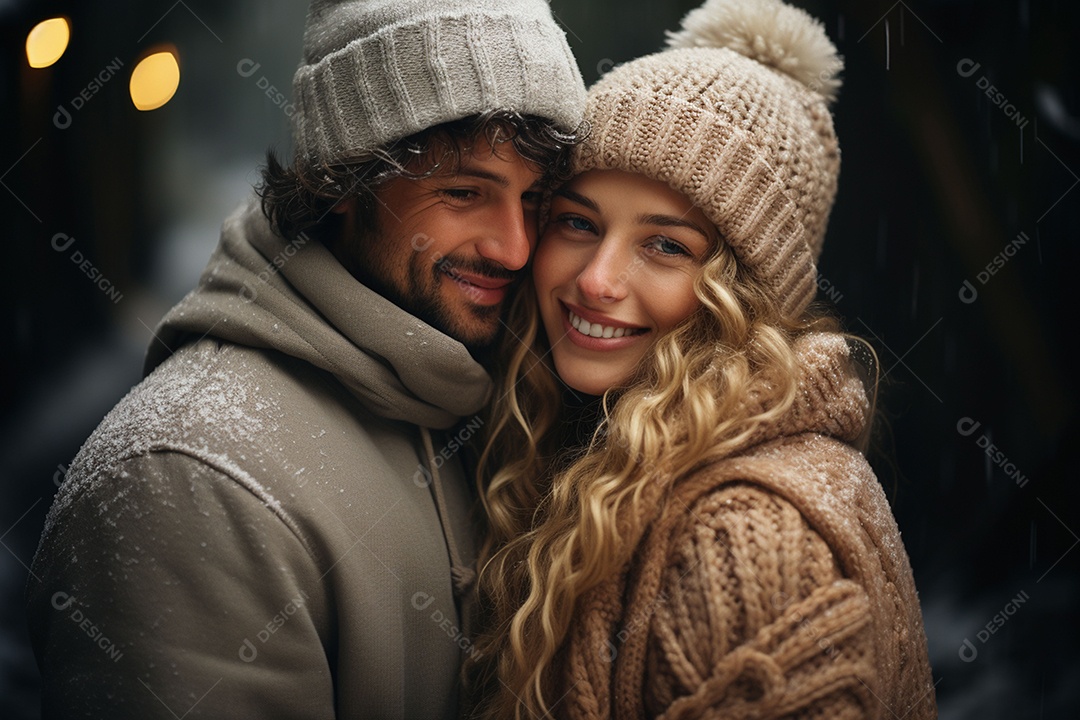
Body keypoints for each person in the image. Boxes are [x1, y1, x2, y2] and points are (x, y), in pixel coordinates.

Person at [25, 1, 585, 717]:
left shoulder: (508, 401)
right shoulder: (188, 484)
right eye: (463, 192)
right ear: (345, 183)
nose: (513, 246)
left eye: (536, 199)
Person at [467, 0, 937, 717]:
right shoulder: (599, 458)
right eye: (577, 222)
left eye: (666, 246)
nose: (597, 279)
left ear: (743, 291)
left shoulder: (743, 541)